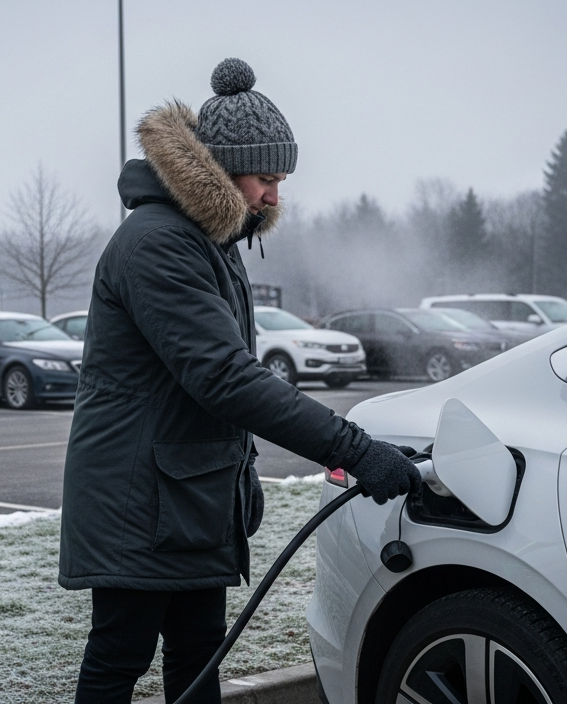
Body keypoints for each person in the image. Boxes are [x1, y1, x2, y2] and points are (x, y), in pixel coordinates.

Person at [59, 58, 421, 704]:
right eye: (266, 178)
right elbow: (227, 379)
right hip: (138, 503)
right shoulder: (157, 244)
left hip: (188, 498)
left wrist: (237, 475)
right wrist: (355, 450)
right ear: (223, 169)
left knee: (198, 657)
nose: (276, 197)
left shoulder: (212, 242)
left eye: (281, 180)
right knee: (121, 655)